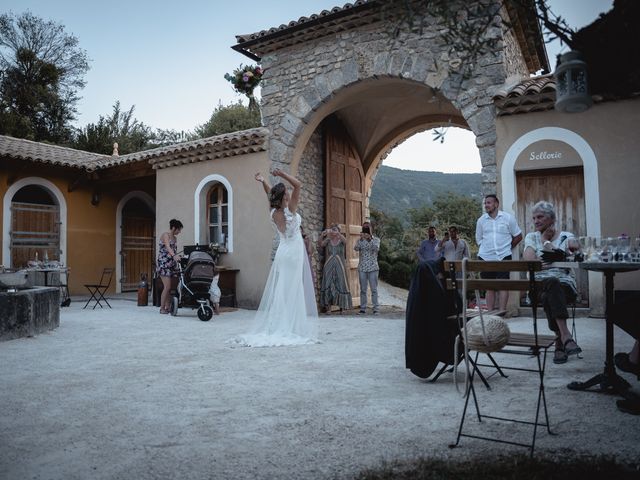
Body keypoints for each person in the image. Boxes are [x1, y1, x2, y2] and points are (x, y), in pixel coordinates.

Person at [232, 169, 318, 347]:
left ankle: (280, 324)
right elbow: (299, 185)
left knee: (282, 289)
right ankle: (289, 327)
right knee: (292, 289)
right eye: (287, 191)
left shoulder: (273, 211)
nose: (289, 191)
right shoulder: (290, 210)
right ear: (285, 196)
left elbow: (269, 193)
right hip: (293, 253)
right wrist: (282, 174)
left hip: (283, 251)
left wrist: (263, 181)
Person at [522, 201, 581, 364]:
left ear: (552, 218)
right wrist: (543, 240)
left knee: (552, 286)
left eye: (540, 217)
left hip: (565, 286)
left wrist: (546, 244)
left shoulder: (566, 236)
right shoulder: (531, 237)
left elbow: (571, 251)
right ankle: (564, 338)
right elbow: (529, 261)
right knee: (550, 285)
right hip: (538, 287)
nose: (536, 221)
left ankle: (560, 341)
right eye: (534, 218)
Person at [475, 194, 523, 312]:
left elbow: (518, 236)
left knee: (503, 285)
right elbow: (479, 239)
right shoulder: (481, 221)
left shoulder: (508, 218)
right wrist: (486, 248)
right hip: (485, 257)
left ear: (496, 204)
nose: (486, 205)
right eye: (485, 203)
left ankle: (502, 312)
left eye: (489, 203)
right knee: (489, 286)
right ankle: (491, 314)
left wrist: (507, 248)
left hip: (503, 256)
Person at [318, 224, 352, 314]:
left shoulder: (341, 239)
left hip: (340, 265)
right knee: (328, 284)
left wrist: (339, 234)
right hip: (329, 265)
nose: (333, 231)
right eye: (332, 229)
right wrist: (322, 235)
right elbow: (321, 244)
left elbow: (346, 242)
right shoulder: (328, 240)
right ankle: (328, 308)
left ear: (339, 231)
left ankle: (342, 308)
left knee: (341, 284)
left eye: (335, 229)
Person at [157, 219, 183, 314]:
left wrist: (177, 257)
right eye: (178, 229)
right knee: (167, 287)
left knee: (168, 287)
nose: (179, 232)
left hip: (171, 265)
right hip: (163, 264)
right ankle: (162, 308)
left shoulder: (175, 239)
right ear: (173, 228)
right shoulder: (165, 235)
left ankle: (167, 306)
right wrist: (174, 256)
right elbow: (168, 247)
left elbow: (174, 251)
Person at [354, 221, 380, 315]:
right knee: (363, 290)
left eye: (367, 228)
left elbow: (376, 249)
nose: (365, 229)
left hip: (373, 267)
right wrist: (361, 239)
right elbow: (356, 248)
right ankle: (363, 308)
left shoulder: (376, 240)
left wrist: (370, 239)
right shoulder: (360, 240)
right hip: (362, 268)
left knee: (374, 289)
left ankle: (376, 308)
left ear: (370, 229)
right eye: (364, 228)